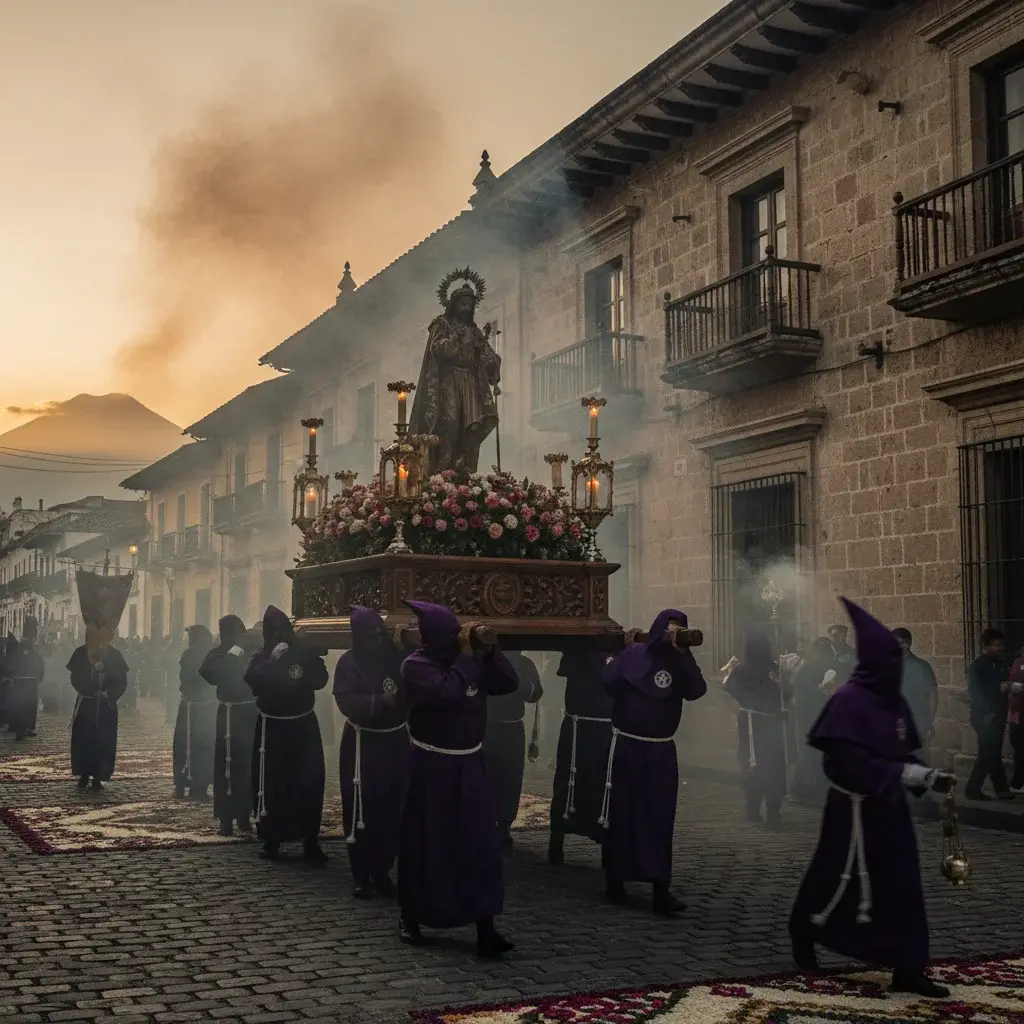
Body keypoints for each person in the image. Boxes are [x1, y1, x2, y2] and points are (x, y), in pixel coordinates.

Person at [789, 598, 956, 998]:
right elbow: (841, 761)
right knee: (832, 875)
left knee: (903, 883)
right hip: (852, 810)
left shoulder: (893, 702)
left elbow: (902, 751)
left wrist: (928, 776)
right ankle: (805, 927)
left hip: (890, 809)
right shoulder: (848, 700)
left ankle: (909, 965)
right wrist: (902, 773)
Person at [397, 600, 517, 957]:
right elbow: (447, 692)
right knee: (427, 841)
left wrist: (489, 651)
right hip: (432, 765)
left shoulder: (470, 661)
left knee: (478, 843)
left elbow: (508, 684)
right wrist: (466, 657)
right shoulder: (415, 664)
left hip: (470, 764)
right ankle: (412, 915)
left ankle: (485, 924)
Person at [601, 610, 707, 915]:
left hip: (660, 752)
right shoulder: (634, 655)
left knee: (659, 817)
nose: (676, 633)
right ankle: (615, 879)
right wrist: (618, 659)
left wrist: (684, 655)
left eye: (680, 628)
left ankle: (660, 886)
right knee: (623, 813)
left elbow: (697, 690)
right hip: (628, 748)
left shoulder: (680, 661)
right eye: (671, 628)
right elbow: (609, 682)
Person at [333, 606, 409, 899]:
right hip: (363, 744)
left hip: (395, 742)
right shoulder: (348, 663)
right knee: (363, 808)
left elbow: (413, 685)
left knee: (393, 807)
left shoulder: (397, 658)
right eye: (370, 636)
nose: (377, 641)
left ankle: (383, 870)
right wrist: (379, 701)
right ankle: (361, 874)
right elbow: (347, 701)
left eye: (381, 634)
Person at [244, 605, 329, 863]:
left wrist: (304, 654)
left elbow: (320, 679)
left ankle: (310, 839)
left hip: (303, 727)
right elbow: (252, 681)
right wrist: (274, 661)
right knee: (273, 783)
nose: (278, 636)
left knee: (309, 782)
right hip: (274, 729)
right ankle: (272, 838)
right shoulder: (261, 657)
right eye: (273, 631)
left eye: (283, 630)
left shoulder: (303, 652)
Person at [407, 271, 501, 474]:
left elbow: (488, 359)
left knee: (473, 428)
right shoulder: (443, 325)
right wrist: (455, 339)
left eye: (470, 305)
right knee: (449, 424)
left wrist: (488, 356)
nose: (467, 308)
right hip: (449, 381)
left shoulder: (475, 331)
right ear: (454, 305)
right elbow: (437, 350)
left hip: (471, 384)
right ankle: (443, 471)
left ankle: (467, 470)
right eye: (463, 304)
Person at [548, 643, 614, 867]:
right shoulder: (577, 650)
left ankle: (607, 845)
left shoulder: (617, 652)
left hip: (605, 730)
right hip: (577, 729)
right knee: (568, 784)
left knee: (604, 786)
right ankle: (556, 842)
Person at [199, 615, 260, 837]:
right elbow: (207, 672)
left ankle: (245, 815)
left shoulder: (252, 650)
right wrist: (232, 651)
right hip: (228, 715)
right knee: (226, 767)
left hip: (248, 713)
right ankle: (226, 818)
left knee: (247, 766)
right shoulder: (219, 654)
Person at [725, 629, 789, 829]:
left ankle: (771, 809)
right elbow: (732, 688)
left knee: (773, 767)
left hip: (771, 723)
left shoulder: (775, 668)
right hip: (752, 723)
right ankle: (754, 807)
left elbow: (785, 694)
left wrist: (781, 688)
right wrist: (753, 701)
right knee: (753, 764)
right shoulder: (743, 670)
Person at [484, 650, 543, 852]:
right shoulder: (484, 660)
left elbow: (535, 694)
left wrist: (518, 682)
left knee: (510, 778)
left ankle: (504, 825)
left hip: (512, 728)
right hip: (485, 728)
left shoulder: (524, 663)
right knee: (485, 776)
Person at [68, 640, 130, 789]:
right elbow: (75, 677)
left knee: (103, 741)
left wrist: (108, 693)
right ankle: (84, 773)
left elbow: (121, 680)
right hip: (86, 705)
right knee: (84, 740)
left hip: (105, 707)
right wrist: (89, 690)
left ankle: (98, 776)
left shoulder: (115, 655)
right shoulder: (81, 653)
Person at [966, 628, 1012, 801]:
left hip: (998, 714)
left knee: (992, 751)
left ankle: (1000, 788)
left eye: (1001, 645)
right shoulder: (977, 666)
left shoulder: (1000, 665)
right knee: (987, 752)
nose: (1000, 648)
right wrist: (987, 711)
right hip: (984, 716)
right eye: (996, 645)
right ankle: (976, 789)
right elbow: (975, 691)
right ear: (985, 646)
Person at [173, 625, 217, 801]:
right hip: (191, 706)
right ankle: (181, 784)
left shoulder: (208, 654)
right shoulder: (189, 654)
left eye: (193, 636)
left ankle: (198, 785)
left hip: (203, 708)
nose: (190, 639)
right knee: (185, 746)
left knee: (202, 747)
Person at [790, 637, 834, 805]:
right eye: (821, 652)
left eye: (826, 652)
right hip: (806, 717)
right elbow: (799, 693)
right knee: (805, 754)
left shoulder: (832, 668)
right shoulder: (806, 670)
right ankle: (799, 790)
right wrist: (819, 691)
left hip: (825, 716)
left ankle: (820, 791)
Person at [892, 628, 937, 752]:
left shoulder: (921, 666)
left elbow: (932, 694)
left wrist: (929, 721)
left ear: (909, 643)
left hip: (916, 719)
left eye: (902, 643)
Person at [6, 616, 45, 741]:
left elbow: (10, 668)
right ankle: (25, 727)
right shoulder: (34, 655)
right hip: (29, 683)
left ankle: (22, 727)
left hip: (21, 683)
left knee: (22, 705)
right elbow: (41, 669)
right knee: (27, 706)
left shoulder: (17, 655)